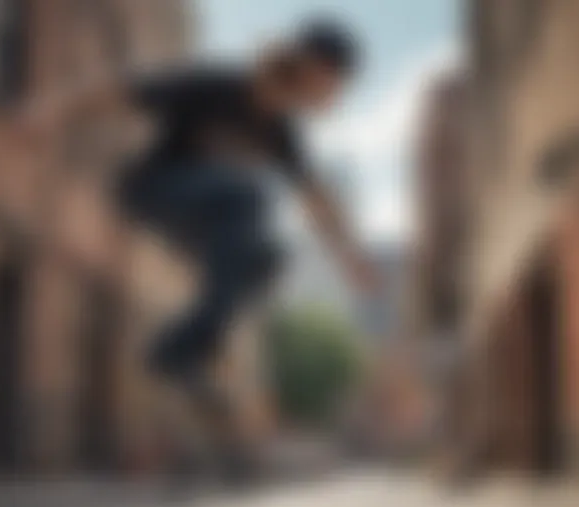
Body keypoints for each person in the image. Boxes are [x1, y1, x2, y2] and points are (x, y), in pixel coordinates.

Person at [22, 20, 377, 476]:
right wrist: (46, 111)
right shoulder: (216, 85)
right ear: (309, 68)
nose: (327, 96)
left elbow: (317, 200)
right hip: (150, 191)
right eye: (330, 82)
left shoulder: (281, 134)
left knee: (268, 260)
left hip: (201, 226)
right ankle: (180, 349)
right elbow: (118, 90)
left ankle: (190, 349)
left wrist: (352, 259)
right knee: (247, 197)